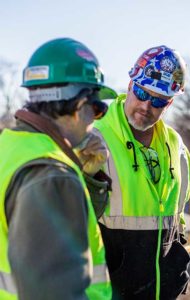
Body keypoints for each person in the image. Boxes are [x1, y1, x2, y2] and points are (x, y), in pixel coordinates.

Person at [0, 38, 117, 300]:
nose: (95, 121)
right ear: (78, 106)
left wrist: (88, 177)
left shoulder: (10, 147)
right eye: (97, 109)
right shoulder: (51, 176)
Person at [94, 45, 190, 300]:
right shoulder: (94, 140)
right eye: (141, 92)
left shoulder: (176, 147)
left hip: (163, 291)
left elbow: (177, 219)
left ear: (169, 103)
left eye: (158, 100)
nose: (146, 106)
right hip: (111, 292)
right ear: (130, 85)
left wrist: (176, 269)